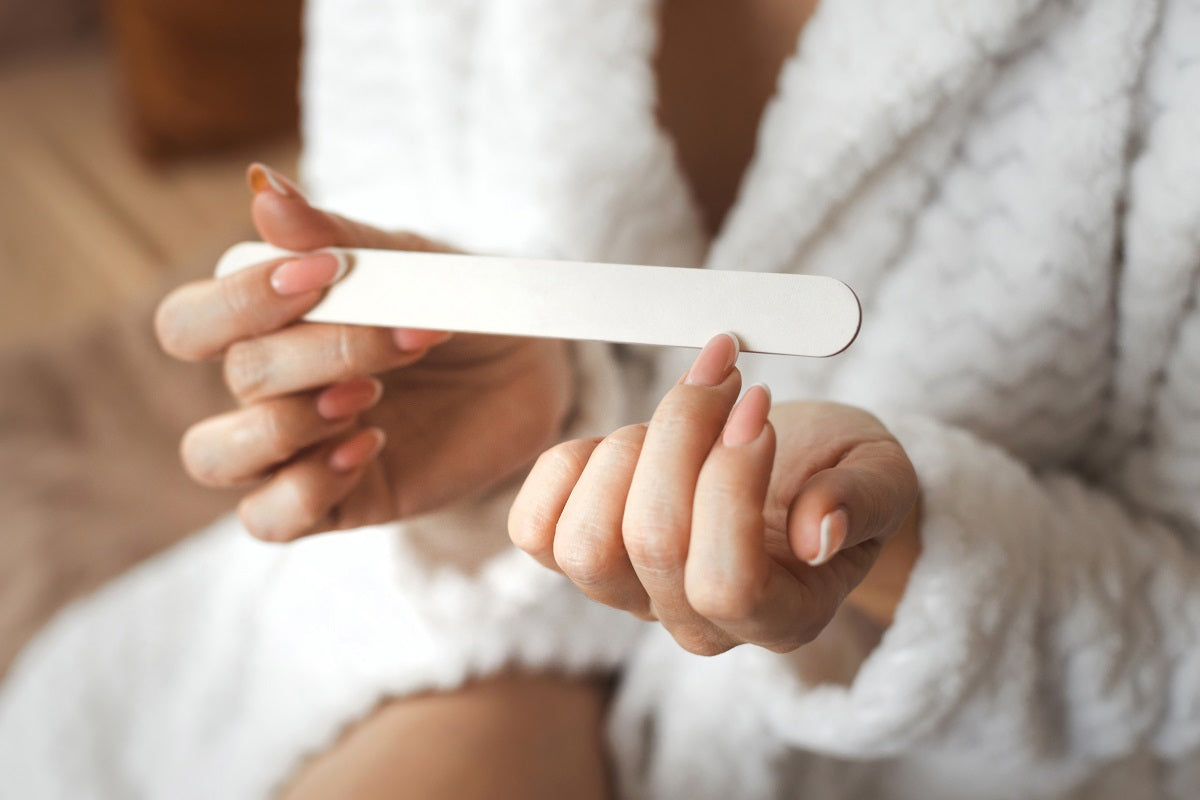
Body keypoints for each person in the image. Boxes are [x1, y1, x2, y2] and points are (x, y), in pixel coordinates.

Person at [2, 0, 1199, 797]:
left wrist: (897, 549)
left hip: (951, 733)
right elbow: (388, 310)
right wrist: (513, 402)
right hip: (447, 602)